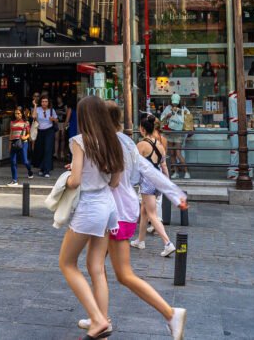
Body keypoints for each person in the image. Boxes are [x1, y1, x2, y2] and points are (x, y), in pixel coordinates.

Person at [78, 101, 187, 339]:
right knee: (98, 267)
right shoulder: (127, 142)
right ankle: (99, 318)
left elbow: (109, 178)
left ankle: (169, 313)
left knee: (115, 272)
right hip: (124, 211)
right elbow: (148, 170)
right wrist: (175, 193)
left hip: (112, 212)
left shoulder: (111, 142)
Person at [59, 96, 123, 340]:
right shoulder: (113, 141)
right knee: (97, 268)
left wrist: (65, 180)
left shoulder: (80, 141)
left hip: (89, 208)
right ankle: (102, 324)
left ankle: (97, 320)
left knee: (67, 263)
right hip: (107, 206)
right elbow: (114, 182)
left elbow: (75, 181)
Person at [131, 113, 178, 257]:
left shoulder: (141, 145)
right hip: (158, 181)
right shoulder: (160, 145)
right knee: (144, 211)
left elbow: (134, 166)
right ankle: (140, 240)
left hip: (147, 182)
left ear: (142, 129)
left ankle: (168, 243)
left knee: (152, 214)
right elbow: (164, 165)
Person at [161, 94, 187, 178]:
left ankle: (186, 172)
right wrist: (167, 116)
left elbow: (188, 115)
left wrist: (179, 110)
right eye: (173, 103)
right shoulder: (168, 108)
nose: (174, 104)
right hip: (169, 132)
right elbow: (161, 120)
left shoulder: (183, 108)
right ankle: (176, 172)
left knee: (178, 153)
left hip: (178, 133)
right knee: (172, 153)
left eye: (176, 103)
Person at [7, 106, 33, 186]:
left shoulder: (26, 122)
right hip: (14, 143)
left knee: (25, 161)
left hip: (23, 143)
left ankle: (30, 171)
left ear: (22, 114)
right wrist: (10, 143)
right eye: (15, 113)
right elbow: (11, 133)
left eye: (18, 113)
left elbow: (29, 134)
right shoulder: (12, 122)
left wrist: (25, 137)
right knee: (13, 162)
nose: (17, 115)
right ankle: (14, 180)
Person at [35, 95, 59, 177]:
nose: (44, 103)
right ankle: (42, 169)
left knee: (48, 150)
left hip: (49, 131)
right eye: (42, 101)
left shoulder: (52, 110)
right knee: (41, 150)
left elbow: (57, 120)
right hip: (40, 131)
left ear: (48, 102)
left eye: (46, 101)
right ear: (40, 102)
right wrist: (35, 105)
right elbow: (33, 116)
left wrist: (53, 119)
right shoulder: (38, 109)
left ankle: (47, 170)